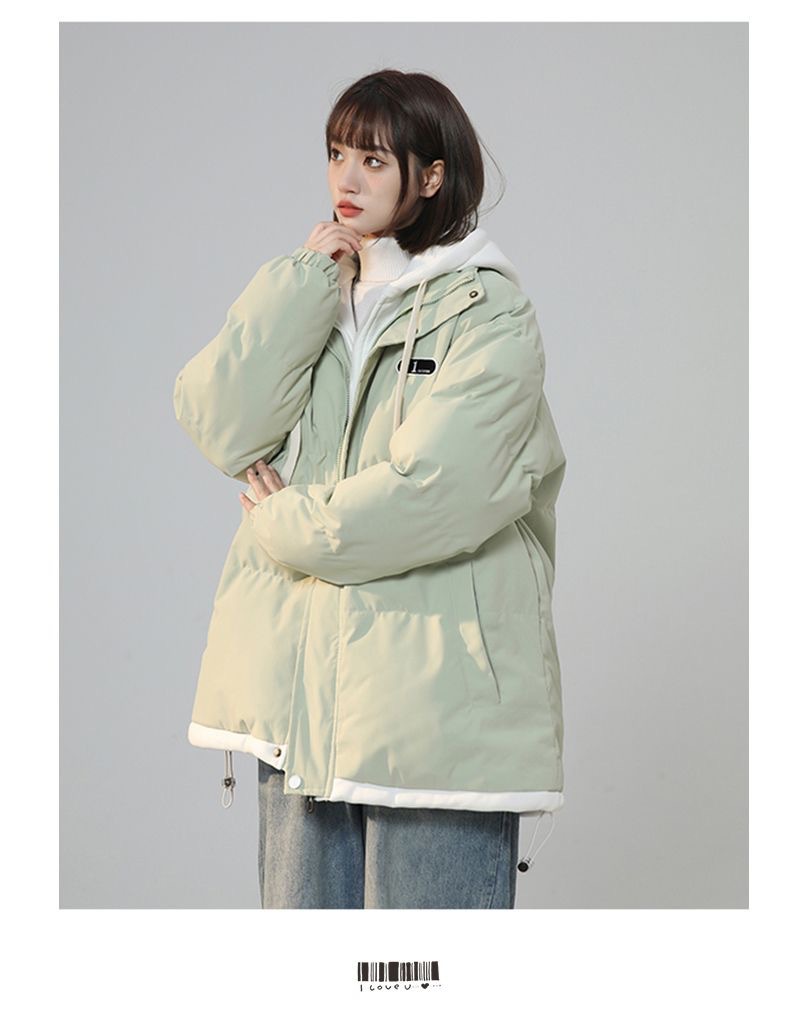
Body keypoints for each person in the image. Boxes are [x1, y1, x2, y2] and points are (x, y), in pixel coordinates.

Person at [173, 68, 567, 909]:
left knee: (426, 967)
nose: (346, 179)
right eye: (336, 154)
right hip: (301, 702)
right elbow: (221, 424)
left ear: (431, 176)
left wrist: (283, 522)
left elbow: (437, 493)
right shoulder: (319, 295)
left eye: (374, 160)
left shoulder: (489, 315)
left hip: (435, 711)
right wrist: (298, 285)